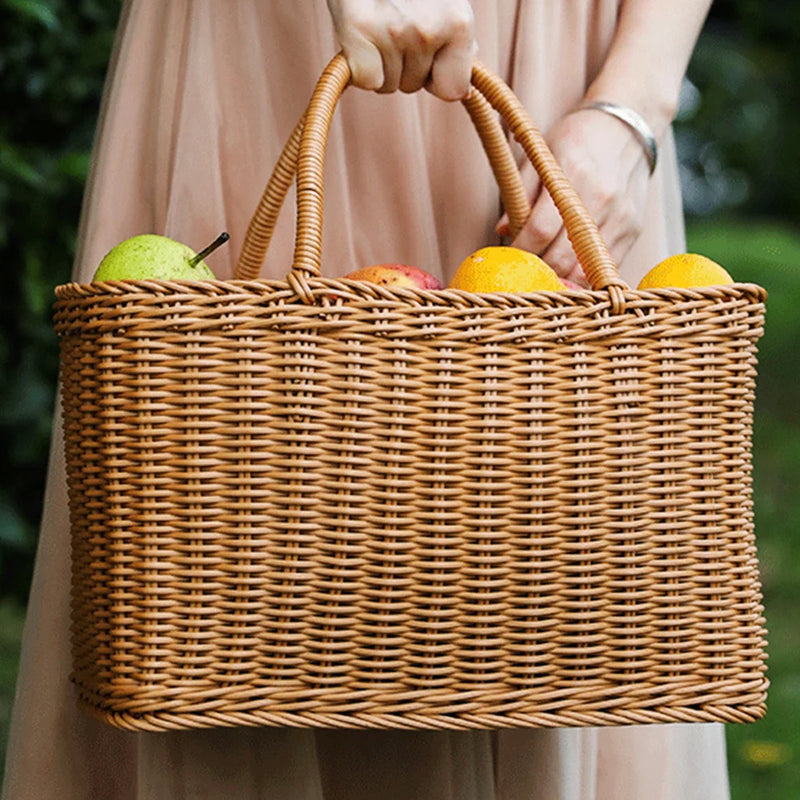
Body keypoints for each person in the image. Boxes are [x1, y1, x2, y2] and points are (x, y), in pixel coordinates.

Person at [2, 1, 727, 798]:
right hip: (273, 41)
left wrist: (634, 105)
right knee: (231, 557)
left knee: (553, 558)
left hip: (574, 76)